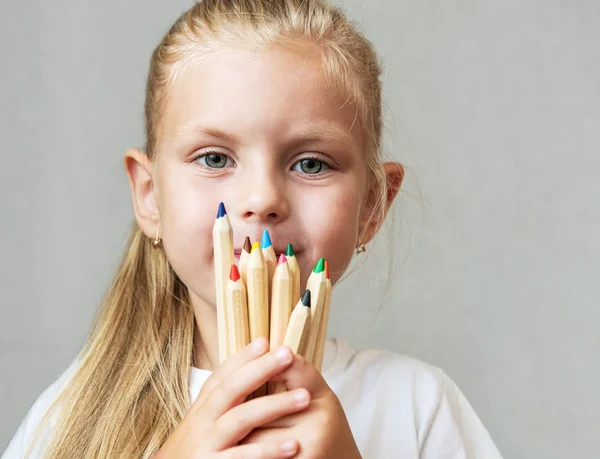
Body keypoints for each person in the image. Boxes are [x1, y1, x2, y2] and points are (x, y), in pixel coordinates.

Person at [3, 1, 503, 457]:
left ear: (372, 205)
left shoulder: (417, 407)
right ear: (150, 195)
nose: (262, 199)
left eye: (311, 164)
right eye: (215, 158)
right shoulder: (71, 416)